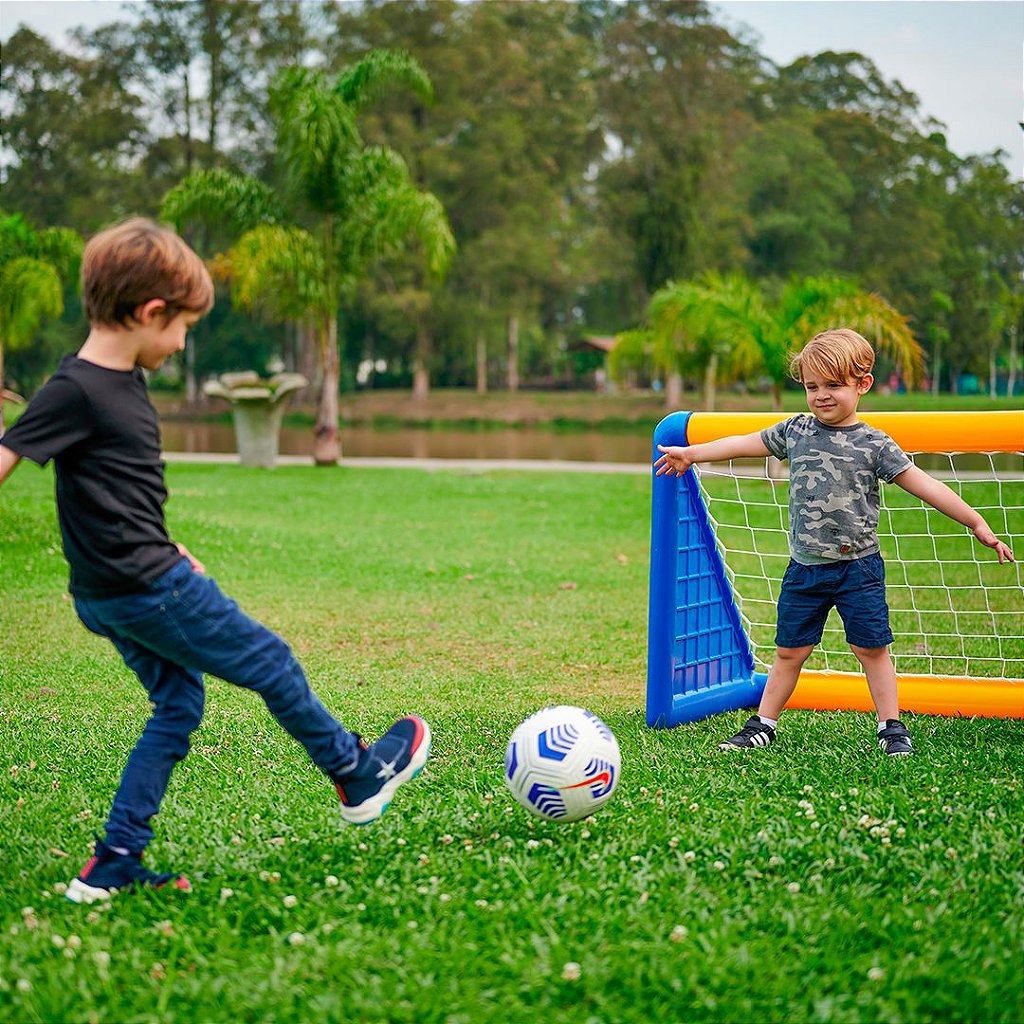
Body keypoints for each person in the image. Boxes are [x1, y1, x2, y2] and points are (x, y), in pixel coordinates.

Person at [0, 219, 431, 904]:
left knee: (177, 706)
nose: (181, 343)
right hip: (145, 590)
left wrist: (169, 546)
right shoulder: (75, 389)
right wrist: (157, 566)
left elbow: (115, 491)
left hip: (123, 586)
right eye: (184, 328)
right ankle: (355, 772)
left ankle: (111, 863)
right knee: (274, 663)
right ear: (150, 313)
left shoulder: (118, 381)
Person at [653, 328, 1014, 756]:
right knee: (790, 652)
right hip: (804, 568)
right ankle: (763, 724)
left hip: (858, 569)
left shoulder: (875, 444)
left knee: (871, 650)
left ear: (862, 384)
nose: (821, 395)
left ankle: (891, 726)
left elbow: (925, 485)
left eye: (833, 385)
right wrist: (693, 454)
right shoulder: (796, 431)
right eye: (811, 386)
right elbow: (745, 443)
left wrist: (975, 522)